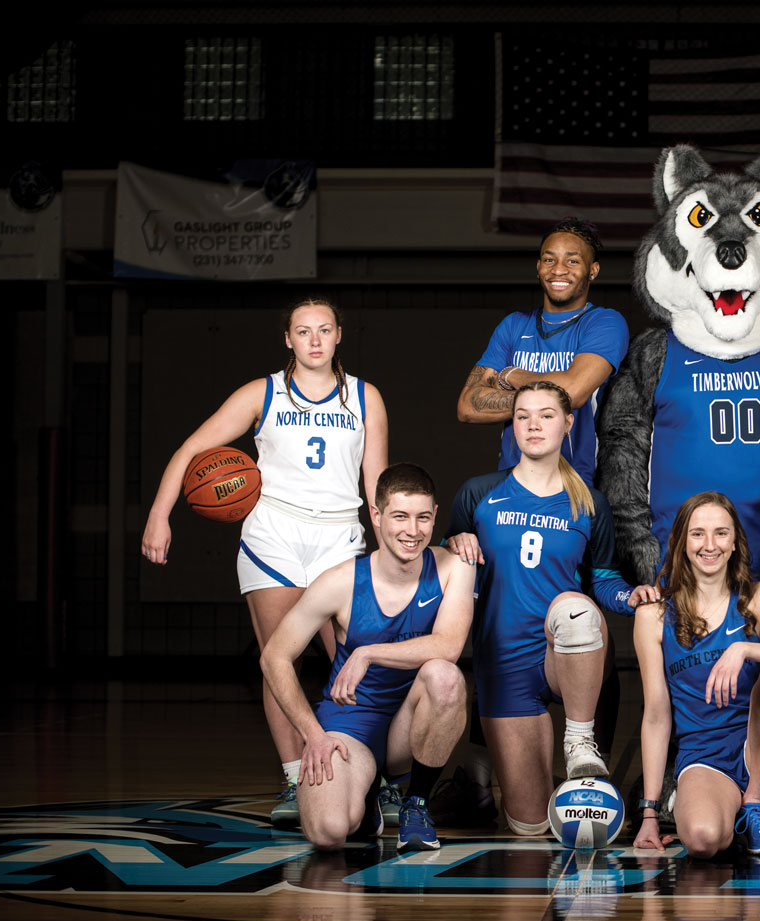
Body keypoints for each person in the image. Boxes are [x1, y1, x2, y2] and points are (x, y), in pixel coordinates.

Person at [140, 298, 388, 828]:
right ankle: (296, 775)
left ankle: (374, 776)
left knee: (358, 662)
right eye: (304, 331)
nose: (315, 340)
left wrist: (388, 547)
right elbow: (191, 448)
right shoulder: (263, 392)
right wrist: (160, 515)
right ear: (288, 339)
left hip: (339, 537)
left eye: (324, 330)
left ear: (340, 334)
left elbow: (377, 485)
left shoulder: (366, 398)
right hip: (274, 533)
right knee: (281, 659)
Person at [446, 381, 645, 837]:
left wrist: (629, 598)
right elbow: (450, 574)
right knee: (529, 824)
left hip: (567, 649)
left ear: (568, 422)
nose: (533, 424)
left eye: (547, 415)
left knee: (573, 607)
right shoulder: (478, 494)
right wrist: (452, 544)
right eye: (522, 416)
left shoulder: (589, 502)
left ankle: (579, 739)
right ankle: (552, 797)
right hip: (504, 663)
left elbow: (605, 580)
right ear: (511, 425)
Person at [259, 463, 474, 852]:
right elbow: (274, 657)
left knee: (446, 676)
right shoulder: (340, 581)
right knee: (329, 831)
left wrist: (368, 652)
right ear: (376, 516)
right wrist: (313, 735)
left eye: (423, 517)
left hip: (409, 727)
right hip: (350, 726)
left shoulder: (453, 566)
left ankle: (416, 804)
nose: (413, 530)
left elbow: (449, 645)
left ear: (435, 516)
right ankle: (368, 795)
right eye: (400, 517)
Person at [632, 492, 760, 858]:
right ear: (682, 542)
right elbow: (656, 716)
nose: (710, 545)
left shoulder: (759, 596)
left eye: (721, 533)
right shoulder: (653, 615)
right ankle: (717, 806)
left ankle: (753, 805)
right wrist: (649, 813)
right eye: (698, 534)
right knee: (703, 839)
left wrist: (745, 648)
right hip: (704, 754)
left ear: (735, 543)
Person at [456, 218, 629, 485]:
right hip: (511, 485)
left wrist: (512, 377)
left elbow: (572, 392)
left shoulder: (604, 323)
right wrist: (541, 401)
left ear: (593, 270)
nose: (559, 270)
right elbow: (468, 406)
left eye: (572, 261)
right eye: (549, 260)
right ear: (538, 267)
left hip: (576, 486)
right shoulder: (514, 325)